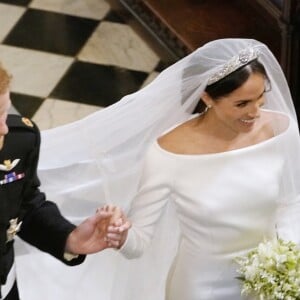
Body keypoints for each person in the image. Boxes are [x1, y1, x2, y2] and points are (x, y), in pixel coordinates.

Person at [15, 39, 300, 299]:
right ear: (207, 98)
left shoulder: (280, 131)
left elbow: (292, 202)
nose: (255, 112)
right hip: (203, 288)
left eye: (261, 98)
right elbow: (139, 242)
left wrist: (285, 261)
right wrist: (121, 234)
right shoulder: (168, 153)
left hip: (271, 279)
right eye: (242, 104)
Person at [0, 63, 129, 300]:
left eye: (4, 113)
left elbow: (24, 207)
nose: (4, 129)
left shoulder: (19, 141)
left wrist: (70, 238)